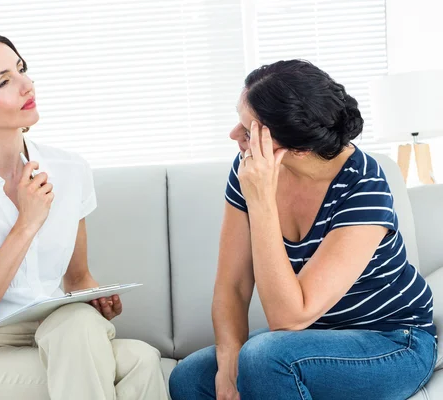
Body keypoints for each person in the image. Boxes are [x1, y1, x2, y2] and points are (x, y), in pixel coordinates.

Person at [0, 33, 168, 400]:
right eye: (4, 81)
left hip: (55, 334)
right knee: (107, 350)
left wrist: (97, 298)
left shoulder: (69, 170)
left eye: (21, 69)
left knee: (139, 356)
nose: (26, 84)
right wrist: (26, 225)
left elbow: (78, 278)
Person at [169, 60, 437, 400]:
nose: (234, 136)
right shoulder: (248, 168)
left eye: (248, 131)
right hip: (311, 340)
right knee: (190, 378)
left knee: (266, 358)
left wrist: (262, 202)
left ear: (295, 147)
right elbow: (233, 286)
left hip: (393, 341)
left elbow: (288, 317)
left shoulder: (363, 184)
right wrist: (227, 363)